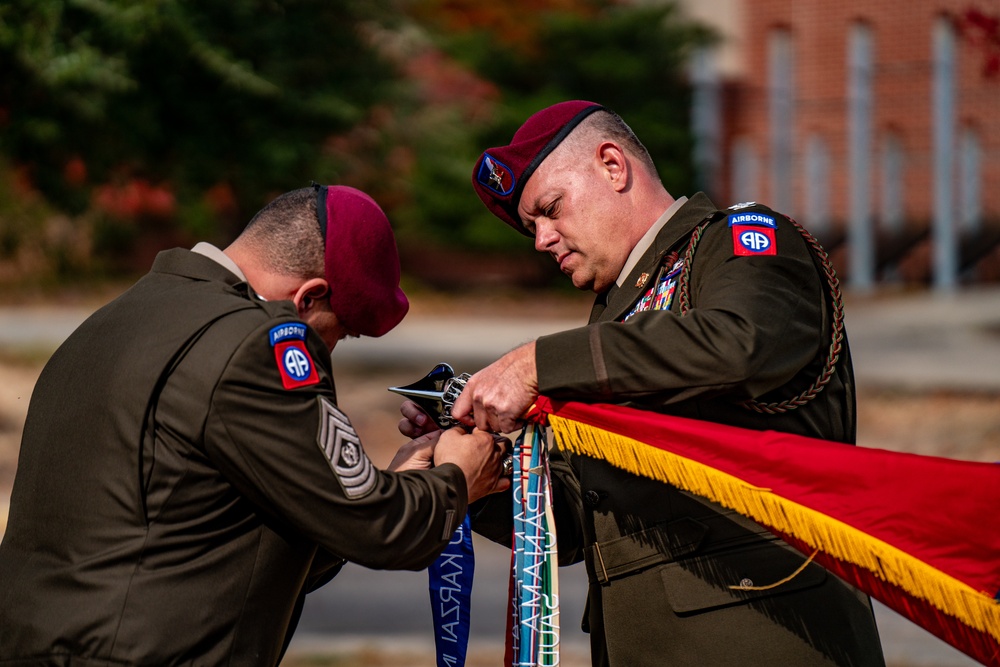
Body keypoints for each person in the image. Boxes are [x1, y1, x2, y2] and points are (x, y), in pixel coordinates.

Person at [402, 101, 885, 666]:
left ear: (612, 165)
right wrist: (474, 477)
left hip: (763, 635)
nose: (542, 239)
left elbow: (741, 344)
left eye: (550, 209)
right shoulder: (612, 322)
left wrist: (536, 364)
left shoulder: (739, 241)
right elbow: (583, 521)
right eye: (532, 227)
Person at [0, 184, 509, 666]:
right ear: (308, 298)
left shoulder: (115, 319)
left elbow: (212, 523)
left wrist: (396, 484)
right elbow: (379, 530)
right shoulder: (260, 344)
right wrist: (457, 480)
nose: (329, 350)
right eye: (342, 333)